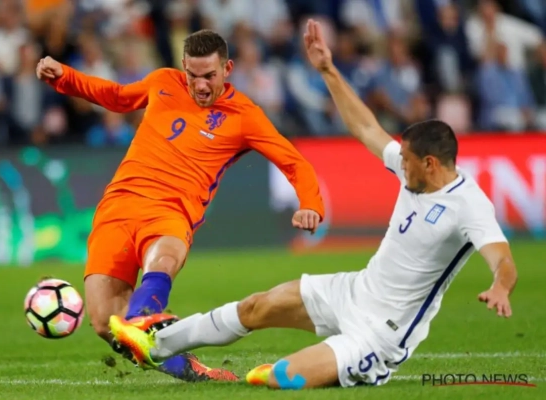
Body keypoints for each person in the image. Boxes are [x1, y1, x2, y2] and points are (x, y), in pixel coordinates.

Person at [108, 19, 518, 389]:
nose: (399, 164)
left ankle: (310, 370)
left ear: (431, 164)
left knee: (278, 377)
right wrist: (328, 70)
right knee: (255, 307)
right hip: (354, 290)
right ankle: (155, 344)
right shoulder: (414, 170)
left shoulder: (469, 205)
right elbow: (366, 128)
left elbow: (502, 259)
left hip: (382, 332)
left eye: (406, 161)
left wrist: (501, 286)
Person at [35, 29, 325, 382]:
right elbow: (117, 97)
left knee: (163, 261)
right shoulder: (163, 82)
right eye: (192, 75)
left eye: (209, 76)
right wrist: (65, 77)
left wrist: (311, 204)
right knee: (104, 323)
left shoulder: (245, 116)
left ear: (228, 69)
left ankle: (143, 316)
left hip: (171, 212)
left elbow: (293, 163)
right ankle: (186, 366)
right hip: (118, 206)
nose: (200, 86)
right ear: (183, 66)